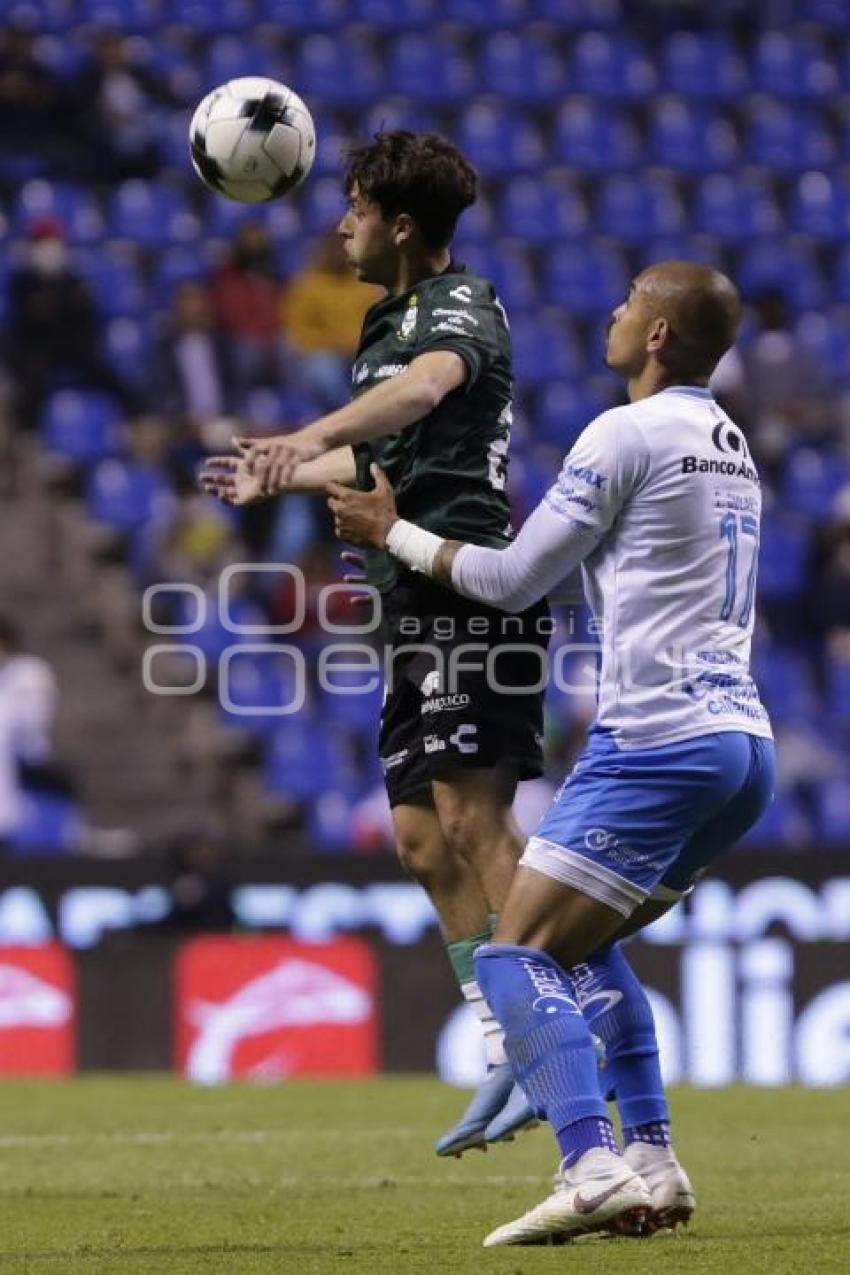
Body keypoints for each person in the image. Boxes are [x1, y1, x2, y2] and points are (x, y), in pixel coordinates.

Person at [326, 260, 776, 1244]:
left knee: (514, 954)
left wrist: (388, 530)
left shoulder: (624, 431)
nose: (612, 315)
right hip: (742, 749)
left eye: (626, 307)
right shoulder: (728, 443)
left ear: (656, 335)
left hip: (655, 740)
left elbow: (512, 579)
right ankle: (652, 1160)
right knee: (589, 946)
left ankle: (590, 1163)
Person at [199, 130, 551, 1155]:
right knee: (419, 839)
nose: (338, 223)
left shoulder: (456, 306)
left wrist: (307, 437)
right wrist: (280, 470)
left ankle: (557, 1036)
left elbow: (428, 388)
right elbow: (379, 447)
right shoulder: (382, 324)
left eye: (352, 208)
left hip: (464, 586)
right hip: (406, 599)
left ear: (399, 224)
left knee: (473, 818)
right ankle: (502, 1038)